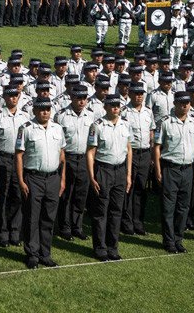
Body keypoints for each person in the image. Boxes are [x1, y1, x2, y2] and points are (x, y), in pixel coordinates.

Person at [16, 97, 66, 269]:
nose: (45, 112)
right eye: (42, 109)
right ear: (35, 111)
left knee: (48, 218)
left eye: (48, 109)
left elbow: (62, 155)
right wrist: (21, 180)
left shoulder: (58, 128)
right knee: (32, 218)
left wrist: (62, 179)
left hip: (53, 178)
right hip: (33, 178)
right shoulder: (26, 129)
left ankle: (45, 254)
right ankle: (32, 254)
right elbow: (19, 155)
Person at [153, 91, 194, 253]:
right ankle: (169, 241)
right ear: (175, 104)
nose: (185, 106)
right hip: (170, 168)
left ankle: (178, 239)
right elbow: (157, 147)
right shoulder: (165, 123)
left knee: (184, 207)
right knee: (168, 207)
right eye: (181, 103)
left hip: (188, 169)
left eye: (187, 103)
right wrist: (158, 170)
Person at [86, 94, 132, 261]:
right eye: (112, 105)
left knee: (116, 211)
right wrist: (92, 177)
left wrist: (128, 175)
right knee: (101, 211)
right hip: (103, 170)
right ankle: (100, 248)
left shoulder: (125, 125)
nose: (115, 108)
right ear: (105, 107)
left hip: (120, 171)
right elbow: (90, 152)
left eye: (117, 105)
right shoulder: (97, 125)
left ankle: (113, 248)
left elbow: (129, 149)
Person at [0, 84, 31, 247]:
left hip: (19, 159)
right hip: (2, 159)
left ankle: (15, 230)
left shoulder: (25, 116)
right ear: (4, 97)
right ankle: (2, 231)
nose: (13, 98)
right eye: (10, 95)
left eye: (16, 96)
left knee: (18, 195)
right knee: (2, 196)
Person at [53, 85, 95, 240]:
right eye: (79, 98)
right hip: (68, 158)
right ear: (71, 97)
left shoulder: (91, 116)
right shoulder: (61, 115)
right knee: (66, 195)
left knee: (81, 194)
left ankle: (77, 226)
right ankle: (64, 227)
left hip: (84, 158)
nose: (82, 101)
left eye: (84, 98)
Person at [121, 82, 156, 235]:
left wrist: (152, 154)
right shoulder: (124, 112)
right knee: (129, 188)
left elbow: (151, 133)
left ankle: (138, 222)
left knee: (142, 189)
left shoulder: (148, 112)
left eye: (141, 93)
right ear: (130, 94)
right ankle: (127, 222)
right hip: (131, 153)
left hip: (145, 153)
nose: (139, 96)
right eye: (136, 93)